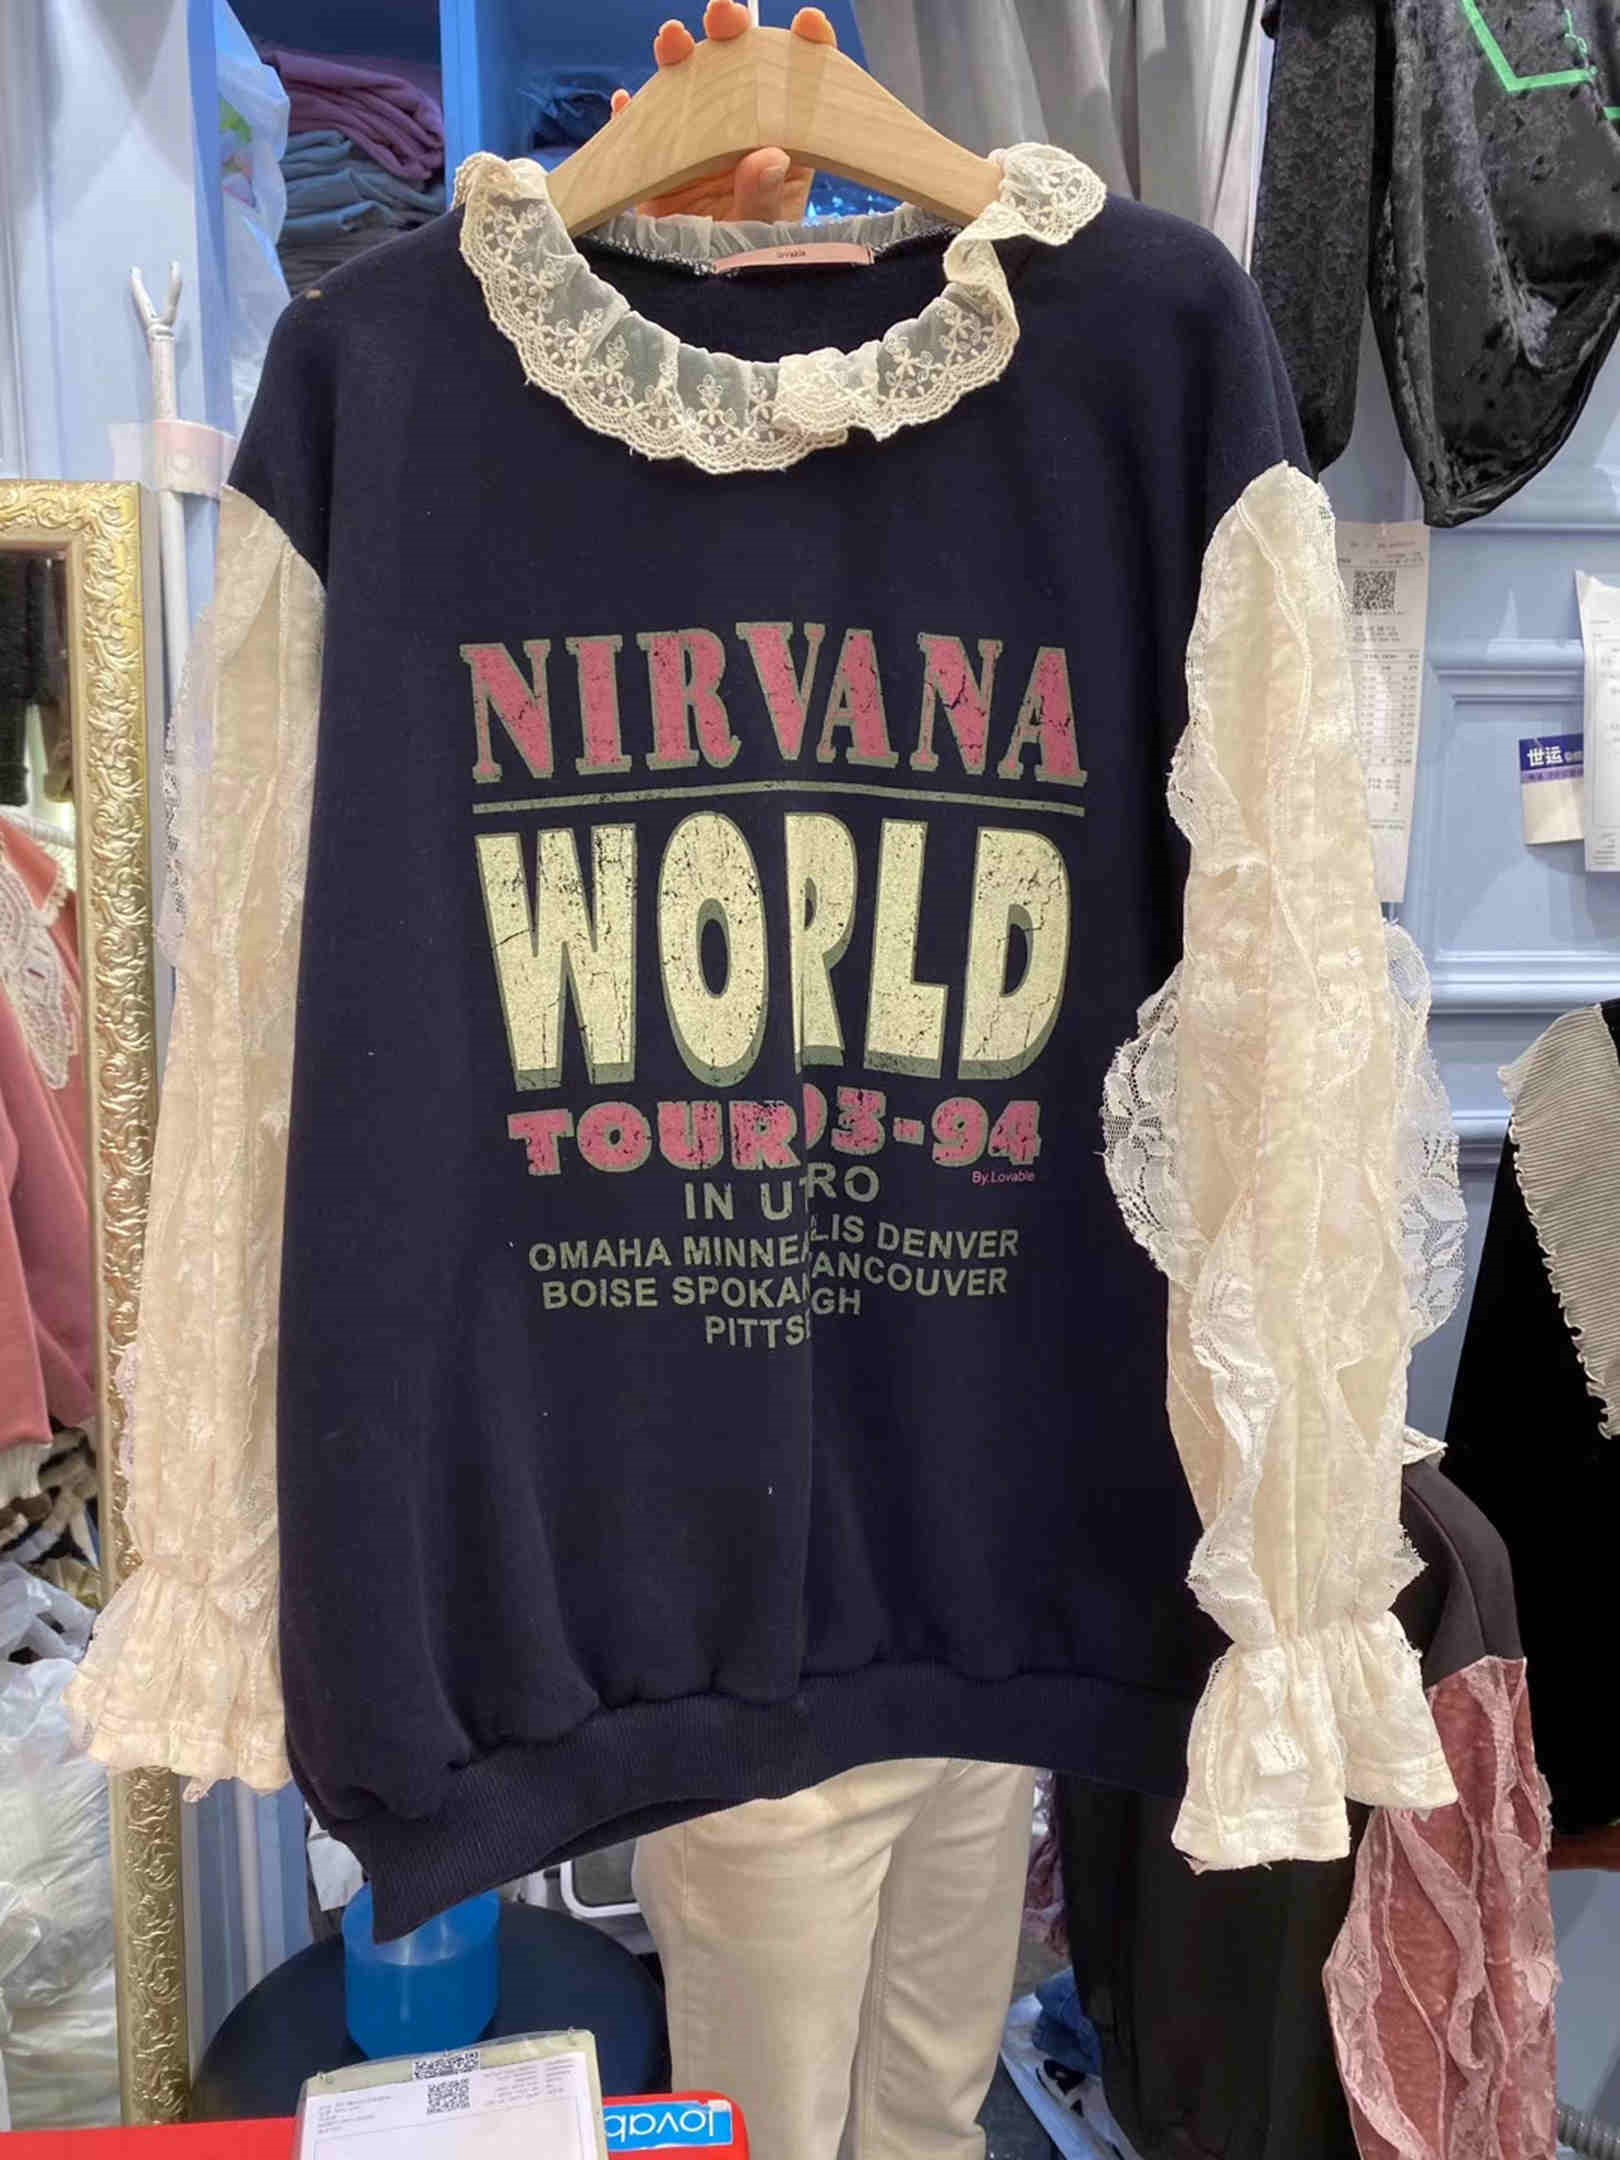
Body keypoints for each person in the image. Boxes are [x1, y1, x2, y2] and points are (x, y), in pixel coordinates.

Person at [609, 17, 1039, 2157]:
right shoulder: (557, 452)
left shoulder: (1082, 383)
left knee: (934, 2105)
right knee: (776, 2116)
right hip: (738, 1579)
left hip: (984, 1519)